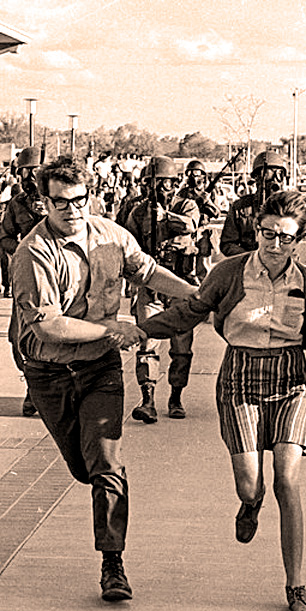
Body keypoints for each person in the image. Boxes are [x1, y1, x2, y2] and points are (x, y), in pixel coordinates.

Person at [139, 190, 306, 611]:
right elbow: (189, 312)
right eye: (268, 234)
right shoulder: (229, 273)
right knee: (251, 483)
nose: (274, 244)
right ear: (257, 231)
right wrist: (141, 332)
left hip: (292, 379)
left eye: (285, 237)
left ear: (298, 240)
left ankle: (296, 585)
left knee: (287, 481)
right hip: (240, 374)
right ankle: (250, 503)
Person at [8, 155, 197, 602]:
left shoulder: (112, 236)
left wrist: (200, 296)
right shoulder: (32, 253)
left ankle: (113, 563)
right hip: (50, 373)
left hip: (100, 369)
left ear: (90, 196)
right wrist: (118, 330)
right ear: (43, 204)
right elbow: (50, 326)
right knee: (83, 466)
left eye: (78, 200)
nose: (71, 210)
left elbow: (147, 272)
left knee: (107, 464)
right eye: (59, 202)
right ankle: (96, 484)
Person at [121, 155, 201, 422]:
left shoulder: (187, 205)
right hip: (150, 287)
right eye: (153, 184)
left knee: (182, 347)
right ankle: (148, 400)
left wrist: (166, 217)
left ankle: (176, 396)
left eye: (165, 184)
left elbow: (191, 225)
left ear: (175, 184)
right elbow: (129, 248)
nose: (159, 190)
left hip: (180, 284)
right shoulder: (138, 213)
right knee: (146, 342)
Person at [0, 147, 49, 416]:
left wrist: (47, 214)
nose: (30, 176)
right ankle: (32, 383)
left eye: (35, 171)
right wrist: (19, 249)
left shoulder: (58, 200)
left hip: (56, 278)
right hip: (26, 276)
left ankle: (46, 389)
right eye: (25, 171)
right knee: (18, 336)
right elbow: (4, 236)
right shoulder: (16, 204)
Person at [219, 150, 288, 257]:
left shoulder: (288, 207)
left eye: (279, 174)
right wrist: (251, 257)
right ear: (257, 177)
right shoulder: (240, 207)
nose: (276, 179)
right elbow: (227, 244)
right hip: (249, 265)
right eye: (271, 173)